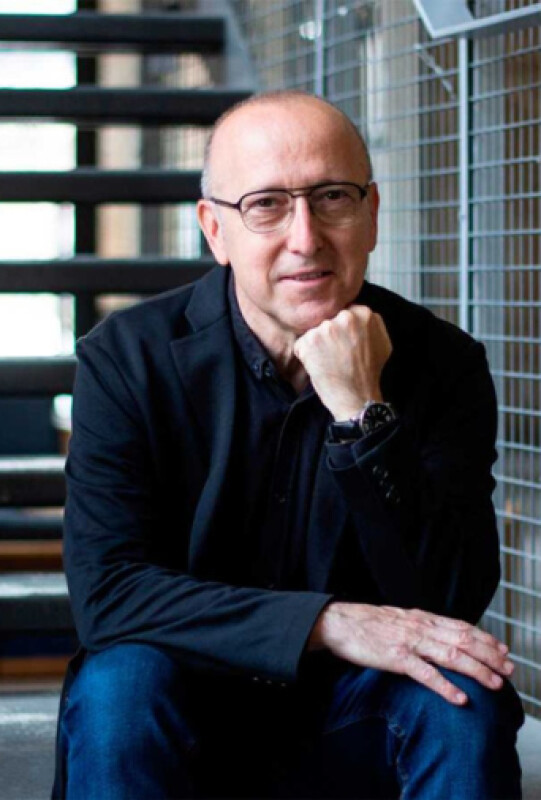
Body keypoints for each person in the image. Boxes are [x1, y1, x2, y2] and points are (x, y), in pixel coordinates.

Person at [53, 89, 524, 800]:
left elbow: (449, 598)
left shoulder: (444, 363)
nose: (305, 237)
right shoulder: (127, 358)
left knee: (462, 694)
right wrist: (323, 623)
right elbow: (109, 594)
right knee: (121, 683)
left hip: (358, 718)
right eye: (266, 205)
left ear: (371, 213)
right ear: (215, 230)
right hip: (179, 709)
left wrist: (362, 414)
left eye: (331, 197)